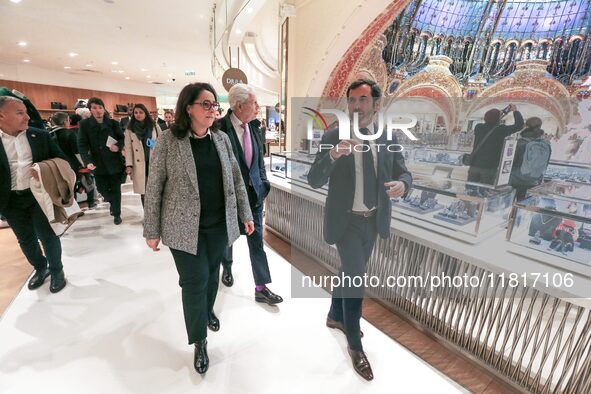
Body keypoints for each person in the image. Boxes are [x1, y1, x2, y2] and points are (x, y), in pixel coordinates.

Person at [143, 82, 254, 375]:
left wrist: (245, 213)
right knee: (193, 281)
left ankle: (207, 311)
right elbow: (154, 187)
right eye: (205, 104)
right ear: (188, 108)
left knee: (213, 272)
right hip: (182, 227)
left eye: (213, 104)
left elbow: (235, 179)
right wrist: (151, 229)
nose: (212, 109)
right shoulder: (168, 141)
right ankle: (199, 340)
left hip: (218, 225)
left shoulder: (221, 139)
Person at [308, 79, 412, 381]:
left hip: (374, 219)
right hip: (346, 221)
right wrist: (333, 155)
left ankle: (335, 315)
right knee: (355, 277)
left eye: (363, 100)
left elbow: (403, 171)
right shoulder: (332, 136)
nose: (356, 106)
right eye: (352, 100)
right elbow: (314, 179)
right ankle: (355, 345)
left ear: (376, 105)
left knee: (350, 271)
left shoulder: (388, 138)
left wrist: (404, 184)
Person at [218, 83, 283, 305]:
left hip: (254, 197)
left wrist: (263, 183)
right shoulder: (218, 129)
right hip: (229, 199)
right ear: (239, 105)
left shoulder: (254, 127)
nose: (258, 108)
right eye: (254, 103)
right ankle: (226, 266)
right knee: (228, 238)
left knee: (257, 243)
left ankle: (261, 287)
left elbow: (258, 161)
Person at [0, 96, 68, 293]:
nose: (27, 117)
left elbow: (61, 159)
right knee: (25, 239)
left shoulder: (40, 136)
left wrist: (42, 168)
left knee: (48, 235)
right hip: (10, 200)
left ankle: (57, 270)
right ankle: (40, 267)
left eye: (26, 112)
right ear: (2, 115)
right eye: (20, 113)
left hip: (38, 196)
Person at [77, 97, 125, 225]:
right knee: (102, 189)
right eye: (94, 108)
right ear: (90, 110)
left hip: (114, 162)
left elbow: (122, 138)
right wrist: (87, 161)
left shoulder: (113, 123)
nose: (98, 110)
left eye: (100, 107)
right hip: (97, 163)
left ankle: (117, 214)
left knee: (116, 189)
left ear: (104, 109)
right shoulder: (85, 125)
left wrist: (118, 147)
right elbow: (82, 145)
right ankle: (111, 202)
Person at [468, 105, 524, 185]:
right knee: (485, 189)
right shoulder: (501, 130)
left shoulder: (478, 127)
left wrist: (498, 115)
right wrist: (515, 111)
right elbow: (519, 125)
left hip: (474, 165)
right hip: (489, 167)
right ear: (498, 119)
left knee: (470, 188)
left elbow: (491, 121)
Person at [51, 112, 96, 208]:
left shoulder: (48, 134)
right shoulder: (69, 134)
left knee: (66, 189)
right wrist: (85, 163)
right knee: (84, 183)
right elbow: (77, 152)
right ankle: (91, 203)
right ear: (65, 121)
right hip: (72, 165)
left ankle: (70, 209)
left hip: (55, 166)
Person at [124, 103, 161, 207]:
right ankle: (147, 215)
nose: (138, 114)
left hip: (153, 162)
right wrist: (129, 165)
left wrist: (153, 144)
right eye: (136, 112)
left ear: (145, 113)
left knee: (155, 190)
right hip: (139, 164)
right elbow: (128, 148)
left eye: (141, 112)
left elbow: (162, 143)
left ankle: (156, 214)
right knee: (143, 191)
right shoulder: (129, 128)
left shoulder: (154, 126)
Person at [509, 117, 552, 200]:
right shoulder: (546, 144)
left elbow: (512, 161)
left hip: (516, 178)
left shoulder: (521, 142)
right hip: (535, 179)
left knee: (510, 201)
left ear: (526, 126)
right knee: (523, 203)